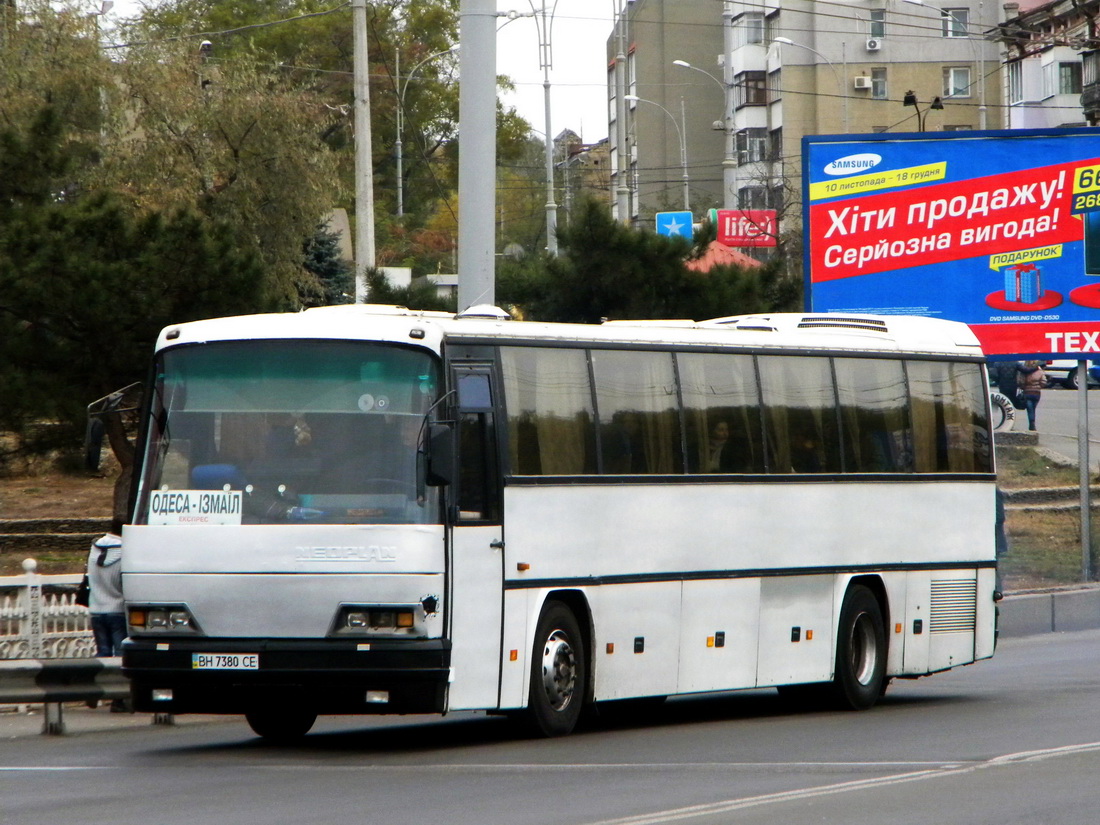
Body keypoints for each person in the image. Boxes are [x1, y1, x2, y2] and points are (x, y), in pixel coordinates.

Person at [86, 518, 130, 711]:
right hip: (118, 610)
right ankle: (118, 699)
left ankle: (92, 690)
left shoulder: (94, 550)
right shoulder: (126, 553)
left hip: (96, 609)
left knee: (102, 653)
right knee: (121, 656)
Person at [1017, 360, 1045, 431]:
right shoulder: (1040, 371)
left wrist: (1024, 387)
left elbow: (1020, 382)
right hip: (1037, 393)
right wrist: (1038, 386)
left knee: (1030, 409)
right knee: (1033, 408)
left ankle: (1031, 424)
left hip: (1027, 392)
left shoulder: (1024, 372)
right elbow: (1043, 382)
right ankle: (1032, 423)